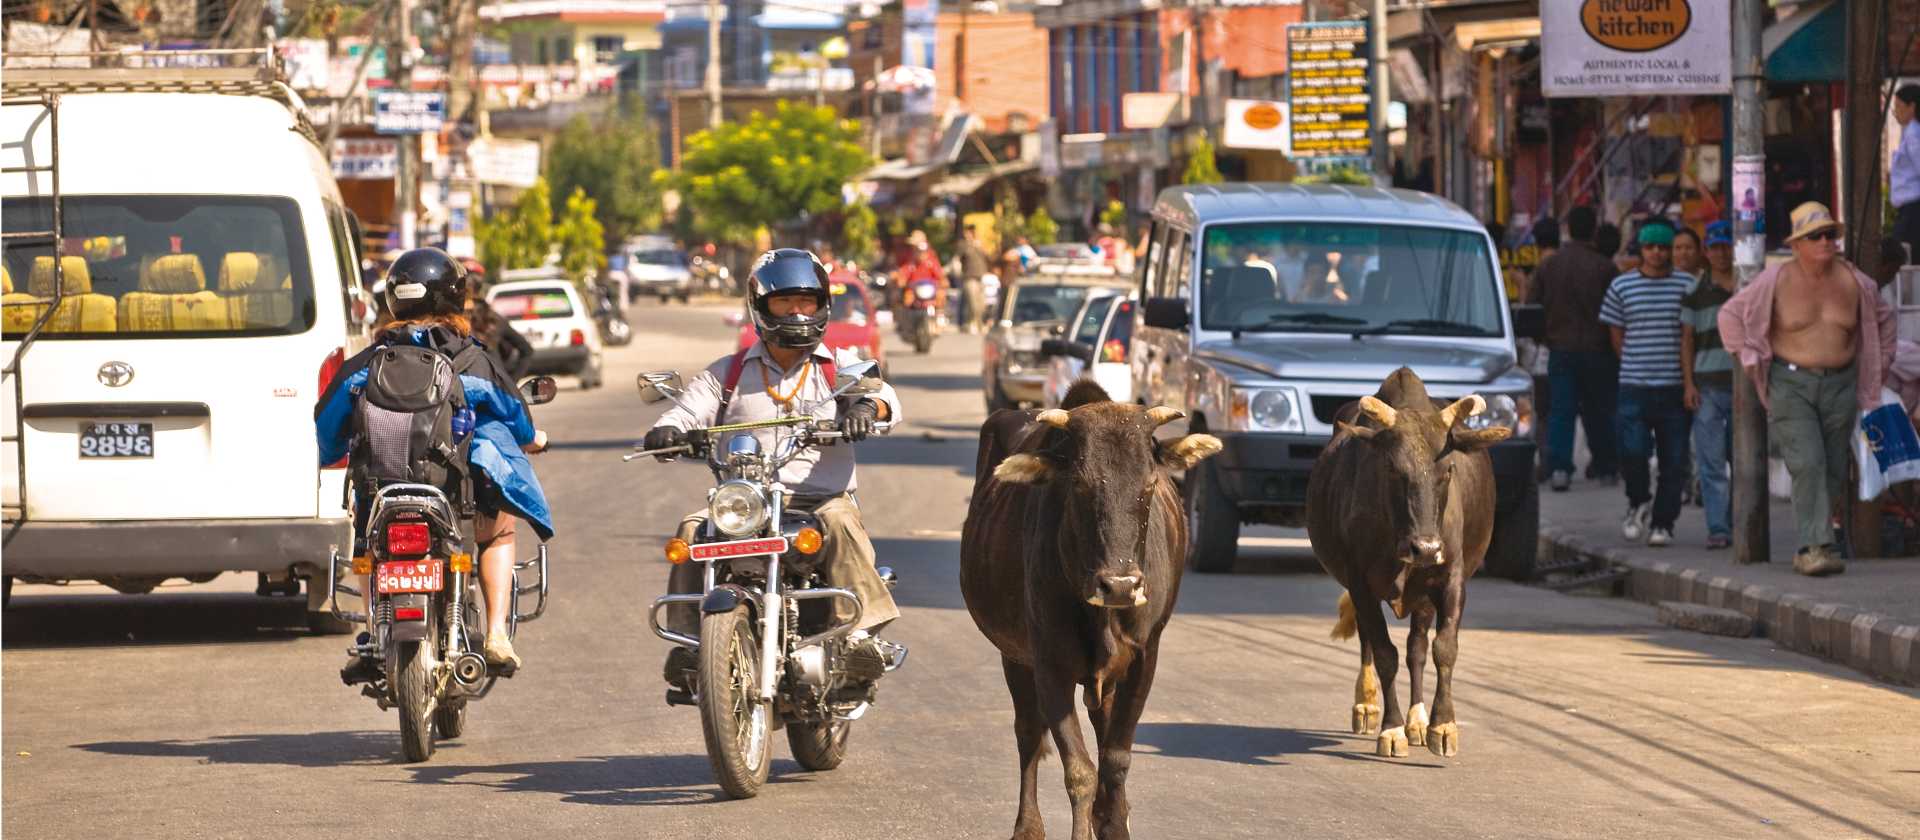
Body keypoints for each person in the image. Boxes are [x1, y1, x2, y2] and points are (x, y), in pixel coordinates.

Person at [645, 249, 905, 691]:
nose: (797, 311)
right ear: (762, 306)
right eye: (785, 301)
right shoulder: (725, 374)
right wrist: (667, 431)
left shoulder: (838, 365)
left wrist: (866, 406)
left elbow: (887, 400)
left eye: (806, 301)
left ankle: (860, 636)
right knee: (691, 531)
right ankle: (692, 643)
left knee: (841, 524)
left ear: (822, 305)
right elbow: (686, 412)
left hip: (819, 501)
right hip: (746, 502)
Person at [317, 248, 554, 678]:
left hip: (381, 494)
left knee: (372, 547)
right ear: (454, 297)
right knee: (500, 530)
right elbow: (516, 417)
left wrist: (334, 452)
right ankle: (497, 633)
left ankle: (373, 632)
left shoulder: (365, 366)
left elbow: (327, 431)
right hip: (454, 498)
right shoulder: (471, 361)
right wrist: (531, 438)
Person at [1719, 202, 1897, 576]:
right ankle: (1812, 546)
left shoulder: (1855, 281)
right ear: (1797, 243)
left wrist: (1877, 369)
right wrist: (1749, 355)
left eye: (1830, 234)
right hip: (1791, 382)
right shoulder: (1776, 279)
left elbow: (1885, 319)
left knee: (1833, 465)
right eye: (1815, 236)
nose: (1825, 242)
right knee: (1808, 461)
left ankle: (1819, 540)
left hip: (1841, 383)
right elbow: (1730, 315)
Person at [1599, 219, 1696, 547]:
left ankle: (1663, 523)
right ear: (1641, 250)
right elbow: (1615, 332)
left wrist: (1687, 384)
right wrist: (1633, 361)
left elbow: (1689, 335)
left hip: (1673, 387)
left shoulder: (1686, 285)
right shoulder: (1622, 287)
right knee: (1632, 451)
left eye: (1663, 247)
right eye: (1651, 247)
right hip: (1634, 385)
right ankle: (1638, 500)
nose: (1657, 253)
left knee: (1674, 461)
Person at [1528, 206, 1621, 491]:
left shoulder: (1549, 266)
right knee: (1600, 411)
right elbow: (1619, 313)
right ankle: (1606, 466)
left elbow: (1533, 308)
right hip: (1599, 350)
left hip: (1561, 349)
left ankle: (1560, 469)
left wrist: (1545, 338)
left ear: (1569, 229)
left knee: (1561, 410)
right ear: (1593, 229)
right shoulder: (1605, 267)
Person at [1681, 221, 1738, 549]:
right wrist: (1688, 383)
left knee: (1741, 463)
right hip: (1707, 387)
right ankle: (1719, 528)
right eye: (1715, 247)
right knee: (1712, 463)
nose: (1720, 253)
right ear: (1707, 251)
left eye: (1725, 246)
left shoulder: (1748, 287)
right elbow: (1686, 341)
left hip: (1742, 388)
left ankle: (1737, 524)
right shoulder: (1695, 292)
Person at [460, 261, 534, 380]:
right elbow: (527, 350)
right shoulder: (493, 318)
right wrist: (510, 384)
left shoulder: (491, 319)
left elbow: (527, 351)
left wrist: (511, 383)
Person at [1891, 85, 1920, 265]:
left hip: (1914, 207)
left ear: (1912, 107)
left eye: (1900, 107)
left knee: (1905, 257)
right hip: (1908, 208)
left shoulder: (1914, 134)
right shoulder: (1909, 133)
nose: (1896, 112)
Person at [957, 225, 992, 333]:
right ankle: (971, 323)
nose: (967, 235)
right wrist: (970, 245)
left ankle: (979, 323)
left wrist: (980, 247)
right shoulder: (963, 245)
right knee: (972, 303)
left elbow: (988, 257)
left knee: (981, 303)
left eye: (969, 233)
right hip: (969, 277)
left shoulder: (980, 244)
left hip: (981, 277)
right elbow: (960, 256)